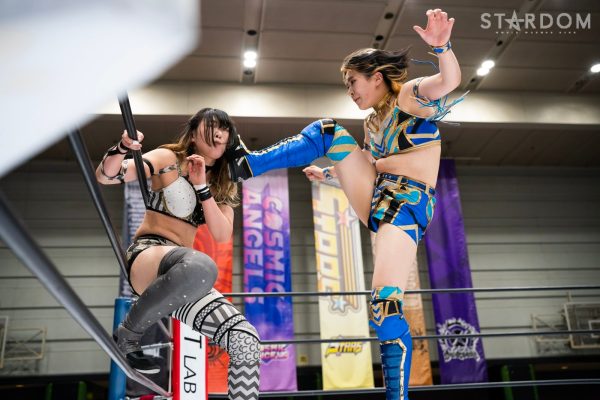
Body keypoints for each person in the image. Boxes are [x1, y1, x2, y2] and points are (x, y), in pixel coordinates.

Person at [225, 9, 461, 400]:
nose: (350, 90)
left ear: (376, 77)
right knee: (327, 132)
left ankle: (397, 396)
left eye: (353, 81)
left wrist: (442, 47)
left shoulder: (409, 96)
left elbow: (449, 80)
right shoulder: (372, 123)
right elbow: (367, 164)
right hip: (377, 196)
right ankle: (246, 165)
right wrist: (330, 176)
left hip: (407, 204)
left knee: (384, 306)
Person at [96, 108, 260, 400]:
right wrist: (122, 148)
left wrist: (202, 188)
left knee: (245, 340)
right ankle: (128, 335)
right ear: (194, 133)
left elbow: (222, 234)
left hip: (183, 279)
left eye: (225, 127)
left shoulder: (223, 182)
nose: (219, 132)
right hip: (149, 256)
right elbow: (108, 176)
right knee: (202, 266)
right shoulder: (167, 159)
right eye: (212, 125)